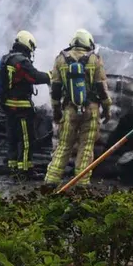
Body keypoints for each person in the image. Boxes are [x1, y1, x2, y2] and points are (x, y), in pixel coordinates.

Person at [44, 28, 112, 187]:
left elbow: (55, 89)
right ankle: (82, 183)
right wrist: (107, 109)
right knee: (86, 146)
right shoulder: (95, 59)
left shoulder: (60, 60)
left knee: (64, 144)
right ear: (89, 43)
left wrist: (56, 112)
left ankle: (51, 179)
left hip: (69, 110)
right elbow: (101, 87)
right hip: (91, 110)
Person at [0, 30, 51, 176]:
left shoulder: (6, 58)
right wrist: (51, 76)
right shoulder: (21, 61)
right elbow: (34, 77)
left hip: (8, 106)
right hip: (21, 107)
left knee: (12, 138)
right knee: (27, 139)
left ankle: (13, 166)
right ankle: (26, 169)